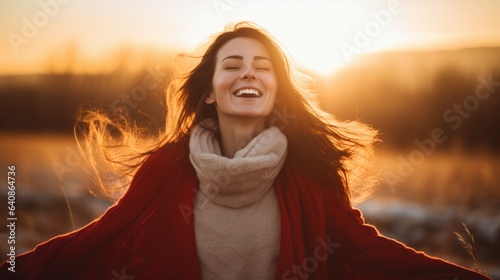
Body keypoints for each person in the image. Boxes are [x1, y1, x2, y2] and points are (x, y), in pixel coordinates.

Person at [0, 22, 491, 280]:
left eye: (263, 66)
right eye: (232, 64)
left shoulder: (310, 173)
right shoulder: (167, 169)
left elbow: (368, 253)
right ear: (210, 91)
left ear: (277, 89)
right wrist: (15, 269)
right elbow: (99, 241)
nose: (249, 73)